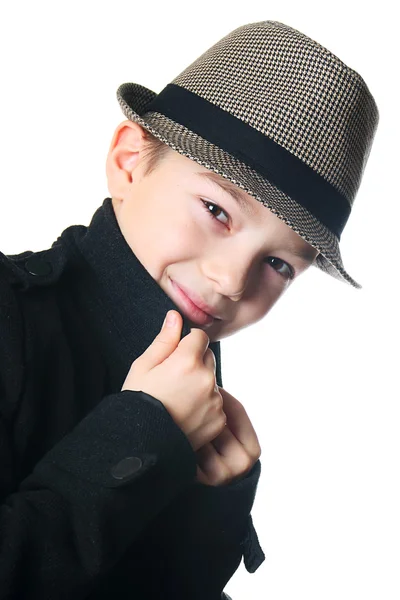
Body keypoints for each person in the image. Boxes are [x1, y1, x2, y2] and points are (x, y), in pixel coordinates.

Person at [0, 19, 379, 600]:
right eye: (217, 211)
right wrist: (146, 437)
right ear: (130, 161)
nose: (231, 281)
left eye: (278, 265)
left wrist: (211, 516)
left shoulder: (204, 401)